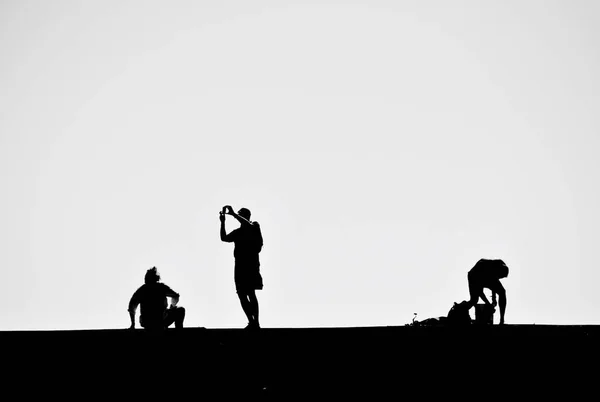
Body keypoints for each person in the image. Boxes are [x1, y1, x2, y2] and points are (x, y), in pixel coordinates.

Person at [220, 205, 264, 329]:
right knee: (241, 294)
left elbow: (248, 226)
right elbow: (224, 238)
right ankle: (251, 321)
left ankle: (256, 322)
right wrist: (223, 222)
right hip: (239, 266)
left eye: (240, 215)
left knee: (250, 293)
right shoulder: (238, 232)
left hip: (250, 265)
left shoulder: (254, 226)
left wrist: (233, 214)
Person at [465, 258, 509, 325]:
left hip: (486, 275)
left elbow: (494, 283)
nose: (499, 279)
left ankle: (502, 319)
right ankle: (460, 310)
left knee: (502, 292)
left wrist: (494, 299)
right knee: (474, 300)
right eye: (500, 277)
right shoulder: (482, 272)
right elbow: (480, 292)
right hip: (474, 276)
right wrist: (489, 305)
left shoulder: (499, 265)